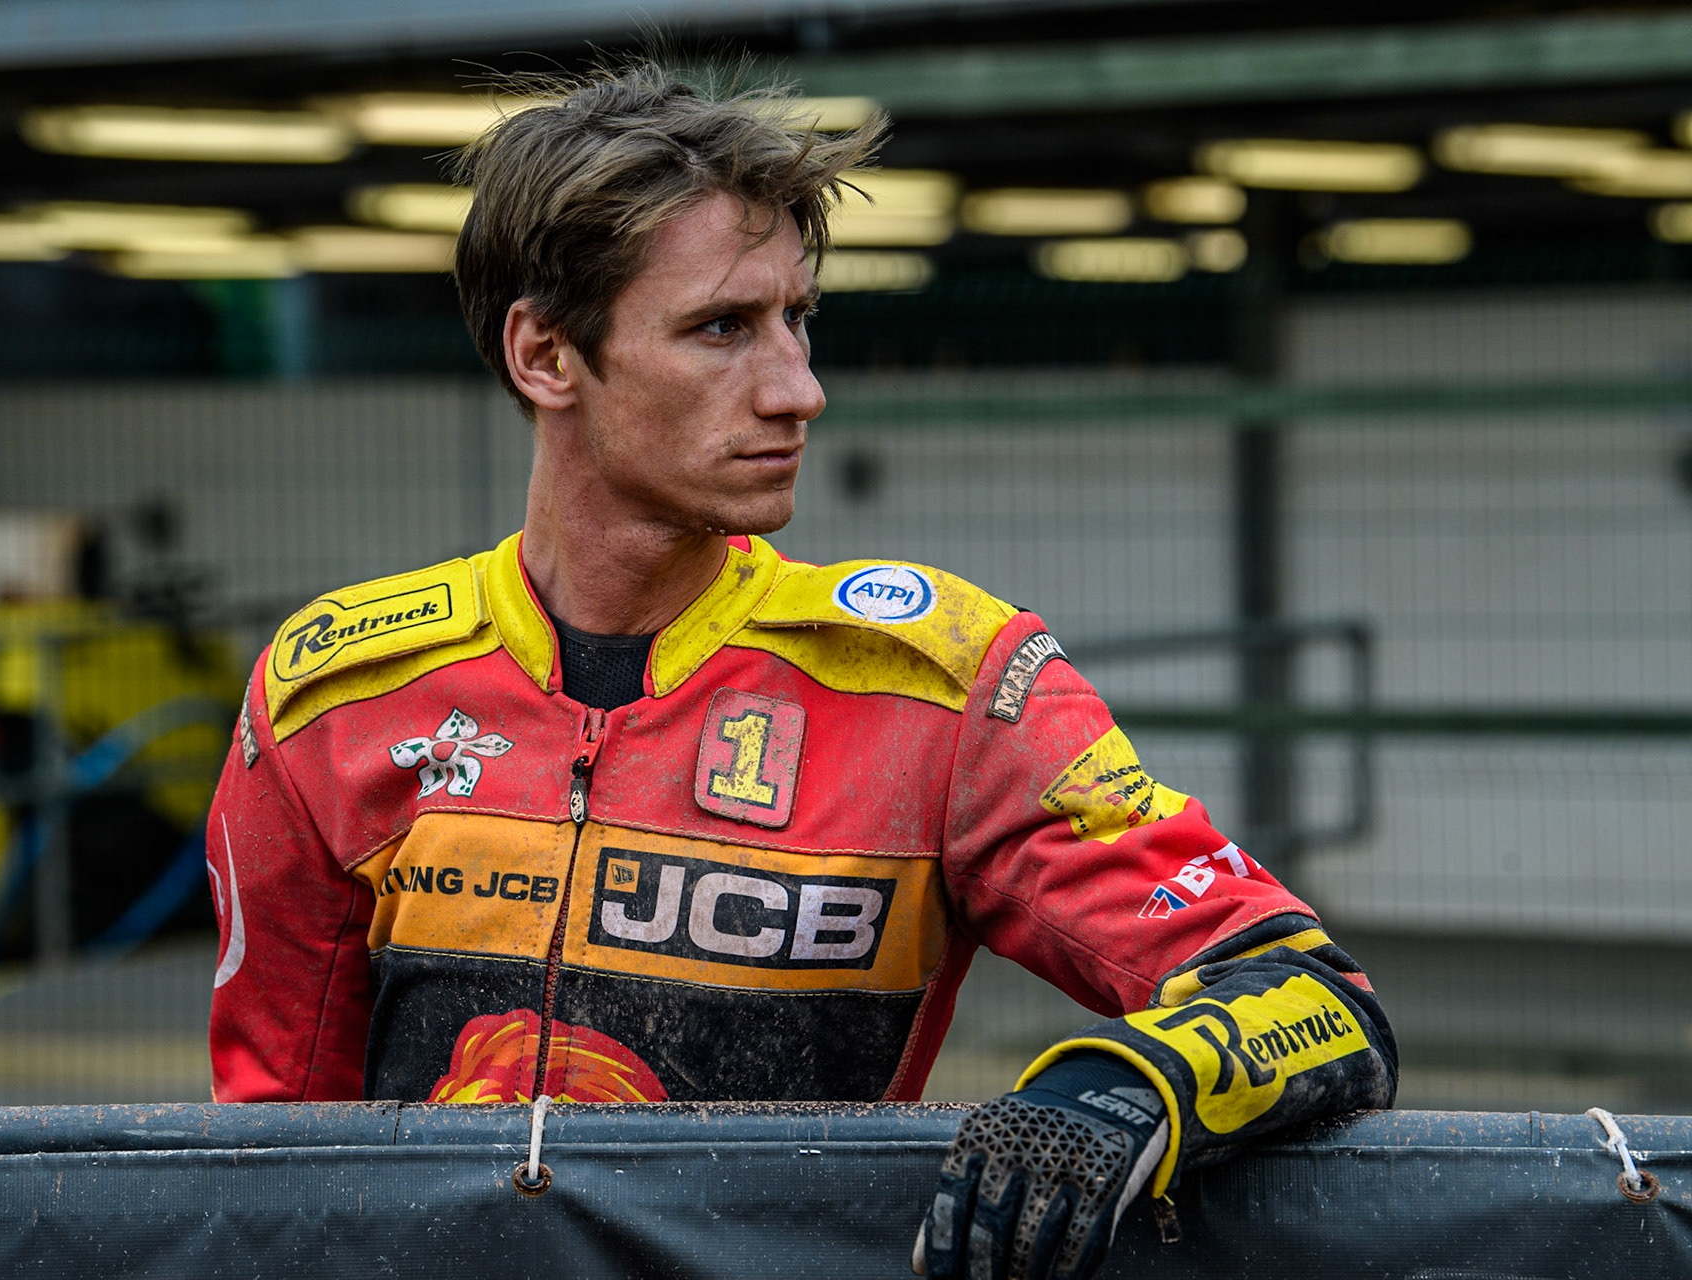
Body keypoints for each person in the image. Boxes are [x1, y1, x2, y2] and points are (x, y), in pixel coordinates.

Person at [205, 64, 1396, 1280]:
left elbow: (1314, 997)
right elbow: (266, 1175)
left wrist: (1126, 1084)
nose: (799, 389)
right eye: (722, 328)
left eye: (797, 318)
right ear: (546, 354)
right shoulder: (333, 700)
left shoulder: (941, 687)